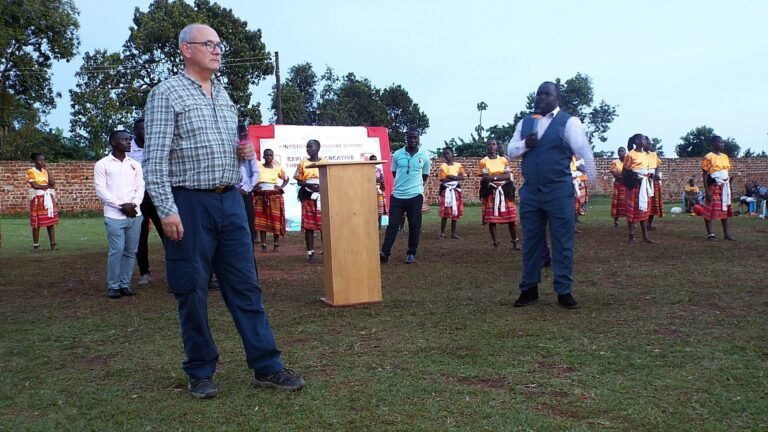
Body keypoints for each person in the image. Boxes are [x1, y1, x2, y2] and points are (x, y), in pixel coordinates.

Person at [143, 23, 304, 399]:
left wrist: (241, 153)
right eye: (208, 44)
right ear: (186, 49)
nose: (217, 50)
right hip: (189, 203)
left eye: (219, 45)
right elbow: (154, 160)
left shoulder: (224, 96)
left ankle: (267, 366)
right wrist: (166, 210)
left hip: (230, 201)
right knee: (192, 288)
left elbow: (225, 145)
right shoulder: (165, 94)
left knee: (246, 287)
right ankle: (200, 370)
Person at [507, 81, 596, 309]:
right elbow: (510, 151)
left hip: (559, 191)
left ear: (557, 97)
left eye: (547, 94)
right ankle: (529, 288)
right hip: (531, 192)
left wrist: (592, 180)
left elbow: (583, 150)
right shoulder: (526, 122)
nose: (541, 98)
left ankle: (564, 290)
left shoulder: (569, 122)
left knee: (562, 242)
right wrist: (526, 143)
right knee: (531, 242)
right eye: (539, 94)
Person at [94, 130, 145, 299]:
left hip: (134, 215)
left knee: (131, 251)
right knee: (117, 250)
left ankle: (125, 284)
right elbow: (100, 190)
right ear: (113, 143)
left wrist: (134, 204)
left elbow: (140, 187)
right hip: (114, 215)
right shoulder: (103, 164)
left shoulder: (135, 164)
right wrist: (120, 206)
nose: (129, 142)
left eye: (129, 139)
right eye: (124, 140)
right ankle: (113, 286)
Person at [380, 128, 431, 264]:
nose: (412, 140)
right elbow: (394, 173)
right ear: (406, 138)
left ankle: (411, 253)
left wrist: (416, 187)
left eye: (415, 137)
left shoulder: (424, 156)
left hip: (415, 195)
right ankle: (385, 252)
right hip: (398, 195)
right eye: (410, 137)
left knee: (414, 225)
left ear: (418, 138)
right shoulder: (397, 155)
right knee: (393, 225)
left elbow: (425, 175)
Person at [127, 117, 166, 286]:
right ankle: (145, 273)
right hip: (138, 198)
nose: (145, 132)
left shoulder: (156, 146)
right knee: (140, 237)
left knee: (167, 234)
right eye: (142, 129)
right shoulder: (128, 150)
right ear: (135, 130)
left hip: (157, 196)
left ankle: (174, 271)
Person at [479, 139, 519, 250]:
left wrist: (494, 177)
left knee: (511, 217)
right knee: (492, 219)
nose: (491, 146)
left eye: (493, 144)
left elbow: (507, 175)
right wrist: (494, 178)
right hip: (491, 190)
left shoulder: (503, 160)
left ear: (497, 146)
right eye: (489, 144)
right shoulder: (483, 161)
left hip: (505, 190)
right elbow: (485, 178)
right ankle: (495, 243)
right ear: (486, 147)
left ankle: (515, 242)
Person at [294, 139, 324, 263]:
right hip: (308, 196)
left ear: (317, 148)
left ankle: (326, 252)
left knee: (324, 226)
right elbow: (298, 180)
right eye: (307, 147)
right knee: (309, 226)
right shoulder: (302, 164)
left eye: (310, 147)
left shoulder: (324, 163)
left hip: (322, 197)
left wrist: (320, 187)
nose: (308, 149)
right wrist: (308, 185)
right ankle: (310, 253)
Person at [700, 135, 735, 240]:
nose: (722, 144)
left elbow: (726, 172)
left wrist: (730, 186)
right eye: (719, 142)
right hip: (714, 185)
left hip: (725, 186)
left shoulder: (725, 157)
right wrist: (707, 191)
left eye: (723, 142)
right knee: (710, 209)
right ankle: (710, 234)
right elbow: (705, 175)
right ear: (713, 143)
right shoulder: (708, 156)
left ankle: (727, 234)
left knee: (725, 209)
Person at [623, 134, 655, 243]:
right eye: (643, 139)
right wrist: (634, 178)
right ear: (637, 141)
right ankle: (631, 235)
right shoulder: (630, 155)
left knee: (644, 208)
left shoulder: (646, 155)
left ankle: (645, 236)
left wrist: (650, 176)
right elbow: (625, 171)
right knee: (632, 209)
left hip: (644, 185)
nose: (645, 141)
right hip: (634, 185)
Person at [254, 149, 289, 252]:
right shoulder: (259, 168)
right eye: (267, 155)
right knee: (262, 220)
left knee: (275, 220)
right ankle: (264, 244)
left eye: (271, 155)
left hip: (274, 196)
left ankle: (276, 244)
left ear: (273, 157)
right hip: (261, 195)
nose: (269, 157)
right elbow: (254, 180)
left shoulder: (277, 168)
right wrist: (256, 187)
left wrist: (281, 187)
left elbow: (286, 178)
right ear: (263, 157)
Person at [26, 153, 59, 251]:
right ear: (35, 161)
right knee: (37, 222)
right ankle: (36, 244)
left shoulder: (45, 171)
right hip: (37, 198)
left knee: (50, 221)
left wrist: (48, 171)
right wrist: (48, 186)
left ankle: (53, 243)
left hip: (48, 197)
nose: (42, 162)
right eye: (40, 160)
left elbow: (52, 183)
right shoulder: (31, 171)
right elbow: (35, 185)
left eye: (43, 160)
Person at [236, 124, 260, 250]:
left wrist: (246, 188)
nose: (241, 137)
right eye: (239, 134)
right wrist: (235, 188)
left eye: (244, 134)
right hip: (232, 192)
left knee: (249, 220)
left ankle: (248, 247)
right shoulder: (229, 151)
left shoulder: (250, 152)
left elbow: (255, 173)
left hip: (245, 192)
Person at [437, 147, 466, 239]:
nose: (446, 155)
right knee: (445, 212)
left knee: (455, 211)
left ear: (452, 154)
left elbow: (462, 177)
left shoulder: (458, 165)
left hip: (455, 190)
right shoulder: (443, 166)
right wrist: (455, 177)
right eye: (444, 154)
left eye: (448, 153)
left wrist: (452, 177)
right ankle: (442, 233)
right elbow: (442, 178)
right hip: (446, 190)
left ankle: (453, 233)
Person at [645, 136, 664, 230]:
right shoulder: (639, 155)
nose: (649, 145)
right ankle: (642, 223)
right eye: (647, 143)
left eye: (650, 144)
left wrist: (656, 174)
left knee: (653, 202)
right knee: (644, 202)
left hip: (653, 180)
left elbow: (657, 166)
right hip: (644, 180)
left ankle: (649, 224)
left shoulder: (653, 154)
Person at [609, 147, 627, 226]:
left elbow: (630, 172)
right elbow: (615, 174)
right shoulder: (615, 162)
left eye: (622, 151)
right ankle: (616, 220)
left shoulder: (628, 162)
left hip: (627, 185)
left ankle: (631, 221)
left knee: (628, 202)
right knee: (617, 202)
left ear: (625, 152)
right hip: (618, 184)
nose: (621, 152)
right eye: (619, 151)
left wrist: (623, 176)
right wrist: (623, 176)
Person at [370, 155, 388, 230]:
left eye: (375, 160)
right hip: (370, 190)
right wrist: (376, 179)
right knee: (371, 208)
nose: (374, 161)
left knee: (380, 208)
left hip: (379, 190)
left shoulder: (379, 169)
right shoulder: (366, 169)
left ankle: (379, 226)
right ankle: (372, 225)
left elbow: (382, 180)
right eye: (372, 160)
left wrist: (375, 179)